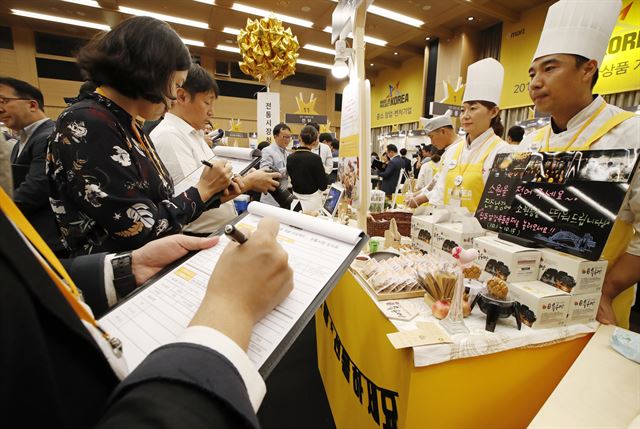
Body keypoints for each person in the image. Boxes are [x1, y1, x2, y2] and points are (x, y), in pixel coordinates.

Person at [1, 130, 294, 428]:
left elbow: (29, 274)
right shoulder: (91, 126)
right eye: (206, 101)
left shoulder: (133, 129)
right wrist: (232, 307)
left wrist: (126, 268)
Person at [46, 17, 237, 256]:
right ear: (150, 73)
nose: (174, 98)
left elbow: (158, 206)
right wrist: (203, 190)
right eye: (175, 85)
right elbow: (139, 229)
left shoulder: (125, 122)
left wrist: (213, 195)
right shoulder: (88, 122)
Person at [519, 0, 640, 328]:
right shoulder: (532, 143)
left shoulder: (630, 133)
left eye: (549, 68)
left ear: (588, 69)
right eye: (532, 73)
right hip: (527, 296)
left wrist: (605, 290)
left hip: (593, 307)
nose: (535, 82)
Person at [151, 64, 279, 234]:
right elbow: (190, 202)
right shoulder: (169, 136)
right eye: (207, 102)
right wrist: (249, 183)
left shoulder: (194, 135)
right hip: (196, 236)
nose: (211, 112)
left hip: (213, 232)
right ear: (181, 97)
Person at [426, 58, 510, 212]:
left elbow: (499, 205)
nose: (465, 116)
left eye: (473, 108)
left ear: (493, 112)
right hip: (445, 230)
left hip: (480, 234)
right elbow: (439, 192)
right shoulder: (452, 151)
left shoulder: (505, 152)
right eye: (463, 110)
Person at [0, 77, 65, 255]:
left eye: (4, 101)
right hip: (34, 233)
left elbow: (37, 187)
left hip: (53, 238)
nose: (0, 108)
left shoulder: (47, 135)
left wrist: (5, 211)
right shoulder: (21, 140)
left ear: (32, 105)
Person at [408, 115, 464, 208]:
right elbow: (435, 182)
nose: (432, 142)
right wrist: (417, 194)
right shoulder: (448, 151)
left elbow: (444, 187)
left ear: (443, 131)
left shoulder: (461, 150)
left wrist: (420, 199)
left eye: (431, 137)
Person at [286, 124, 328, 211]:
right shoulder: (315, 159)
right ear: (314, 142)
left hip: (295, 200)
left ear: (300, 138)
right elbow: (323, 186)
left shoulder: (290, 158)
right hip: (313, 203)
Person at [260, 122, 292, 207]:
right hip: (270, 198)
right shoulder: (267, 151)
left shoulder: (287, 153)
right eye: (285, 137)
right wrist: (288, 170)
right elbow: (265, 171)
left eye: (289, 137)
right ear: (275, 136)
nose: (288, 140)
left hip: (283, 196)